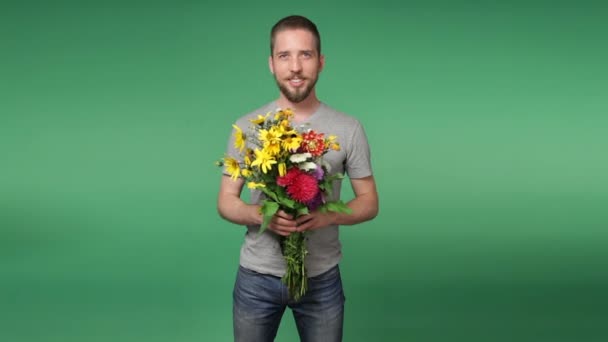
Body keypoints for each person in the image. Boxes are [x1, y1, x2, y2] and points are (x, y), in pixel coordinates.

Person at [217, 15, 379, 342]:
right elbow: (225, 201)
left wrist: (327, 216)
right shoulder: (248, 127)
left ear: (320, 62)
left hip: (321, 279)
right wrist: (262, 216)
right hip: (257, 279)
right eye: (284, 56)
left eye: (305, 55)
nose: (295, 67)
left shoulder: (348, 128)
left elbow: (370, 202)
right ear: (271, 64)